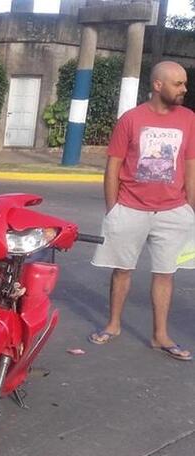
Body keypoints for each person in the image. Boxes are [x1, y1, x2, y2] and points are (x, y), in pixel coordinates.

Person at [89, 60, 195, 361]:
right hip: (130, 207)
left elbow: (190, 165)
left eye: (185, 83)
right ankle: (113, 324)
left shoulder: (188, 118)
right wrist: (114, 209)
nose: (184, 89)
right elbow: (114, 165)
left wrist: (189, 207)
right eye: (178, 83)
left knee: (166, 273)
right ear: (158, 85)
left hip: (174, 210)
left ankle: (160, 335)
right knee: (122, 270)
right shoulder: (131, 119)